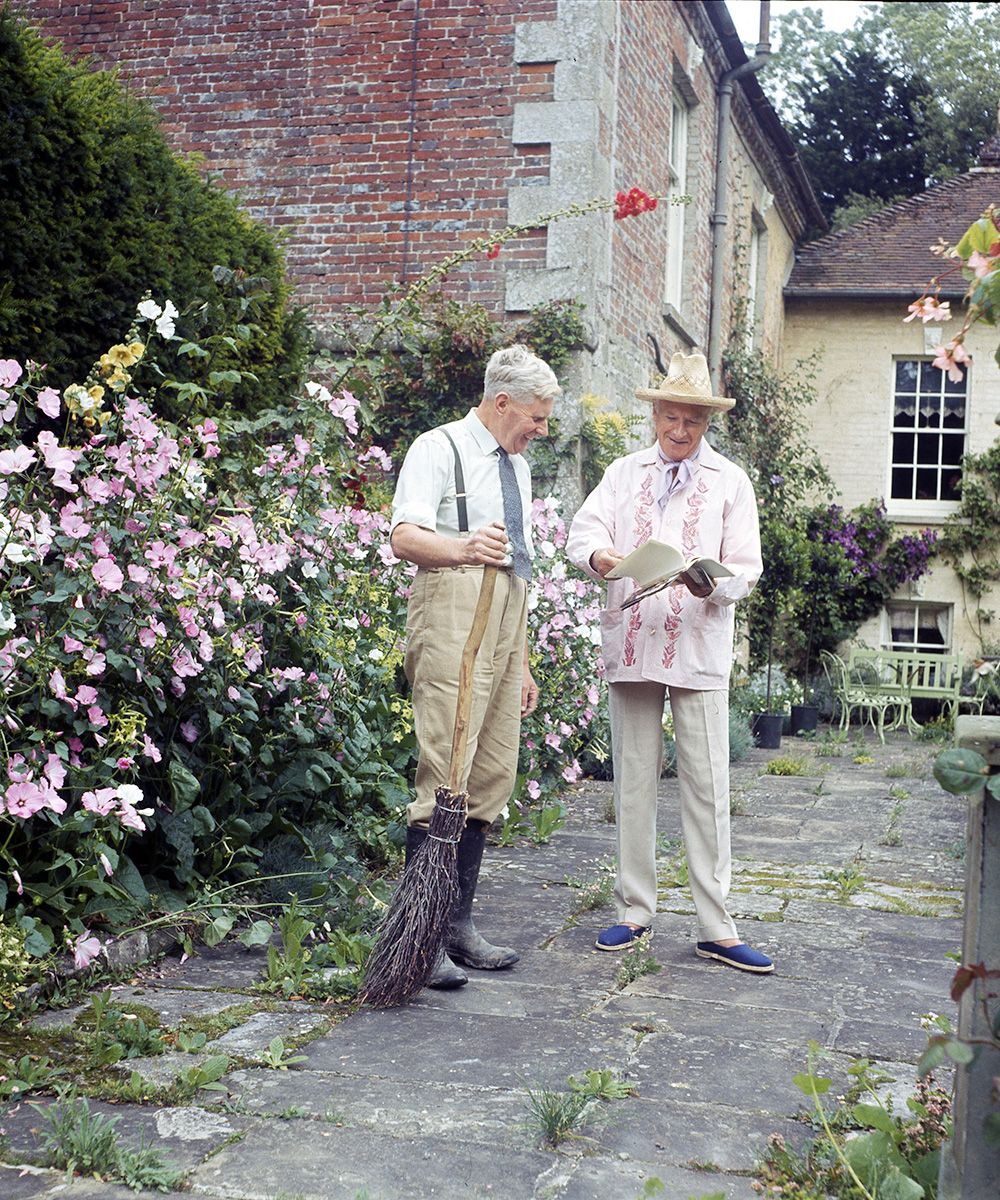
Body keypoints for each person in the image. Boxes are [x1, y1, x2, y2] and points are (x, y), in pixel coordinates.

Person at [565, 351, 774, 974]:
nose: (679, 432)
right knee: (633, 778)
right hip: (632, 636)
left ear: (707, 423)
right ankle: (635, 910)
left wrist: (713, 584)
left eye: (692, 422)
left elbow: (746, 566)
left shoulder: (732, 482)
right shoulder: (624, 473)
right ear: (654, 413)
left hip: (698, 644)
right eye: (670, 418)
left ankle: (716, 924)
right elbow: (584, 533)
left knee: (707, 785)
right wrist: (605, 559)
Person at [389, 343, 559, 988]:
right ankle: (420, 935)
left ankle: (457, 924)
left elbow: (516, 566)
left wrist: (521, 662)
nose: (540, 430)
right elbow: (404, 536)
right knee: (447, 768)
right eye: (535, 418)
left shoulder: (516, 466)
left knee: (490, 772)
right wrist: (460, 545)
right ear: (501, 402)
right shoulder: (438, 449)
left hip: (505, 613)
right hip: (453, 606)